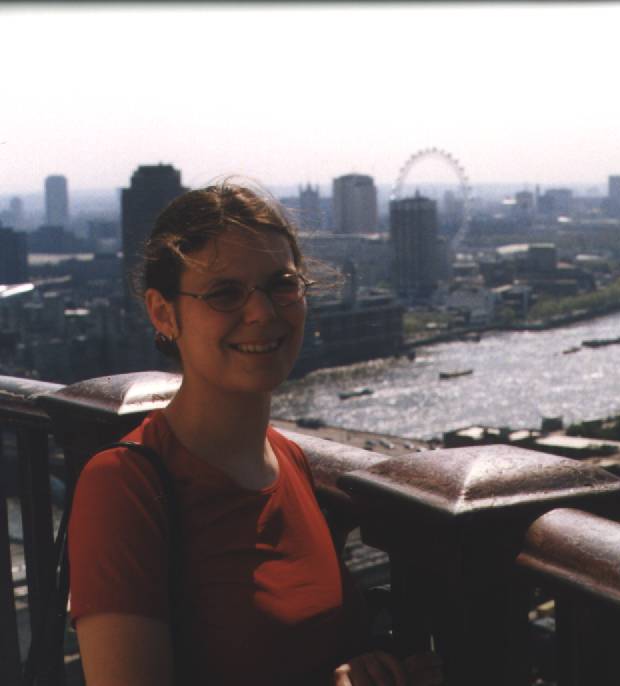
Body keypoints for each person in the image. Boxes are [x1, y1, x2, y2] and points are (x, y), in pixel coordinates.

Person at [68, 180, 442, 686]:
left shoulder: (291, 461)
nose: (263, 312)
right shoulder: (123, 487)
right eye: (225, 293)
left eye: (281, 285)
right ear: (163, 313)